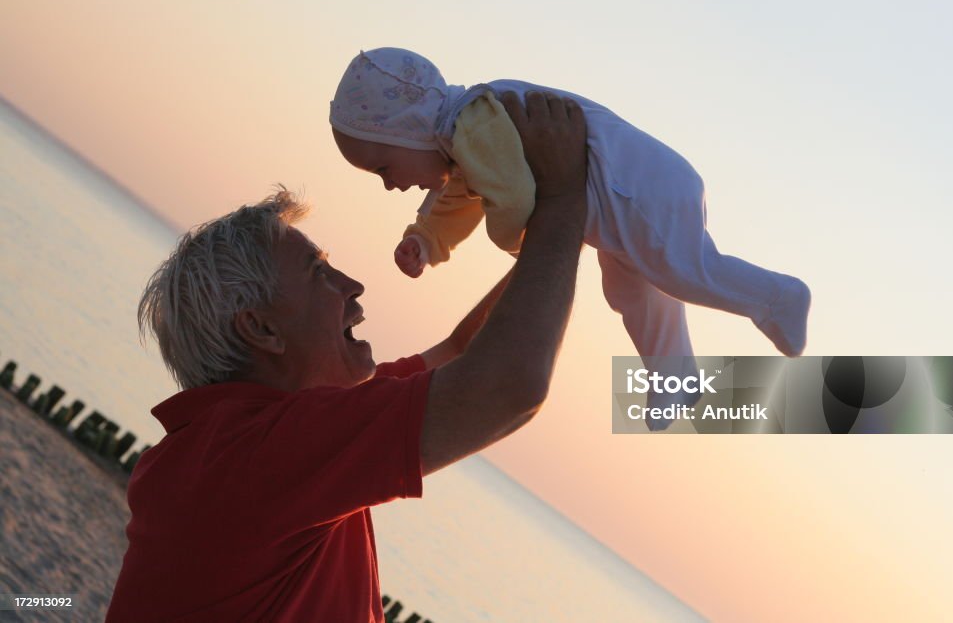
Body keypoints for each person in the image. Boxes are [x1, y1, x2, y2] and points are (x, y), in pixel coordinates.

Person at [106, 91, 589, 622]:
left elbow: (460, 353)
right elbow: (507, 387)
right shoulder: (254, 456)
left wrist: (561, 226)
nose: (353, 285)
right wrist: (565, 202)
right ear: (262, 328)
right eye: (319, 273)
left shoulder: (243, 442)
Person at [329, 47, 812, 380]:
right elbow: (461, 196)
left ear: (408, 129)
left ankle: (778, 298)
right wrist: (427, 240)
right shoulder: (464, 136)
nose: (391, 183)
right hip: (624, 199)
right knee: (631, 290)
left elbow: (512, 199)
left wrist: (524, 245)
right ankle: (674, 376)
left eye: (383, 167)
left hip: (637, 189)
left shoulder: (473, 124)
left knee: (687, 273)